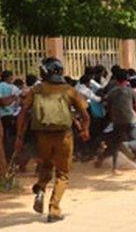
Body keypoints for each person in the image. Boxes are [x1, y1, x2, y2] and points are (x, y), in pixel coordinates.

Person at [14, 57, 90, 222]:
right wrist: (85, 129)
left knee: (46, 165)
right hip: (64, 136)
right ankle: (54, 210)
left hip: (41, 136)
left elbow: (23, 114)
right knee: (63, 173)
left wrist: (19, 137)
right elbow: (85, 114)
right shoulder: (69, 90)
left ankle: (41, 187)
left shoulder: (35, 90)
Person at [106, 69, 136, 173]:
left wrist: (112, 118)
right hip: (130, 119)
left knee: (116, 144)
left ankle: (114, 168)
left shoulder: (111, 92)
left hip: (117, 120)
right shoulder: (131, 91)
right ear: (127, 80)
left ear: (116, 80)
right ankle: (128, 146)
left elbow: (109, 107)